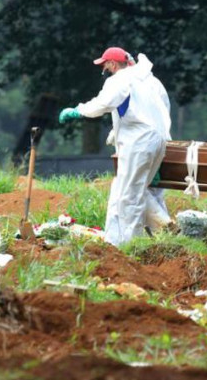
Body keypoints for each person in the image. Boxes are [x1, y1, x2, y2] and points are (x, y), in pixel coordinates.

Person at [59, 46, 172, 246]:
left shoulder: (119, 79)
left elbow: (104, 103)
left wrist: (79, 110)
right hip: (156, 140)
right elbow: (153, 110)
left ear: (112, 63)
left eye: (105, 65)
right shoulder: (147, 80)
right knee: (129, 191)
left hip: (139, 143)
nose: (105, 69)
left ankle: (131, 246)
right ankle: (149, 237)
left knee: (130, 196)